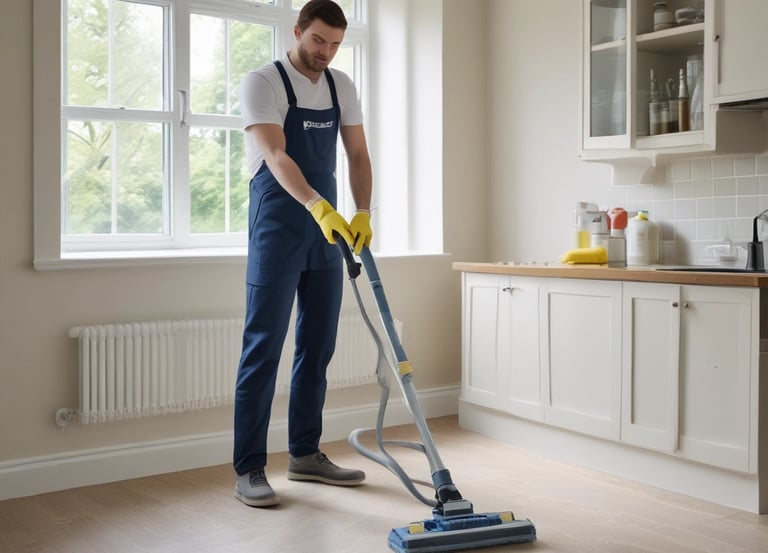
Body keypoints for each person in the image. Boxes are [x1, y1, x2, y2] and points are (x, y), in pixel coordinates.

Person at [233, 0, 373, 508]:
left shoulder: (341, 86)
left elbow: (357, 154)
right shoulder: (263, 82)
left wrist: (363, 212)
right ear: (297, 31)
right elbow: (275, 154)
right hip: (278, 224)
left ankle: (305, 454)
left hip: (327, 228)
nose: (326, 53)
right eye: (318, 41)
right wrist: (318, 205)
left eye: (335, 45)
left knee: (317, 347)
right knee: (263, 348)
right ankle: (249, 467)